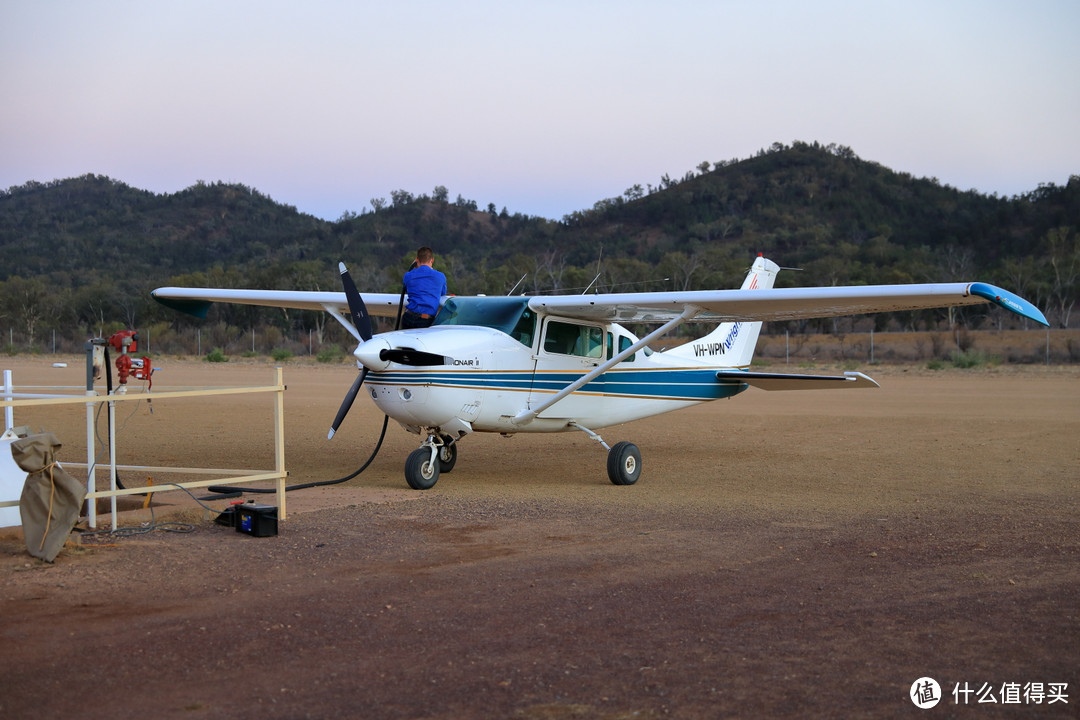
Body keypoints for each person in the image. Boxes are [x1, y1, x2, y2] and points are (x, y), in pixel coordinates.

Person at [401, 246, 448, 329]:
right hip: (425, 320)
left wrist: (414, 267)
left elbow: (408, 289)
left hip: (408, 316)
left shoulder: (408, 275)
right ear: (432, 260)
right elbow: (443, 293)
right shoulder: (440, 276)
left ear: (417, 260)